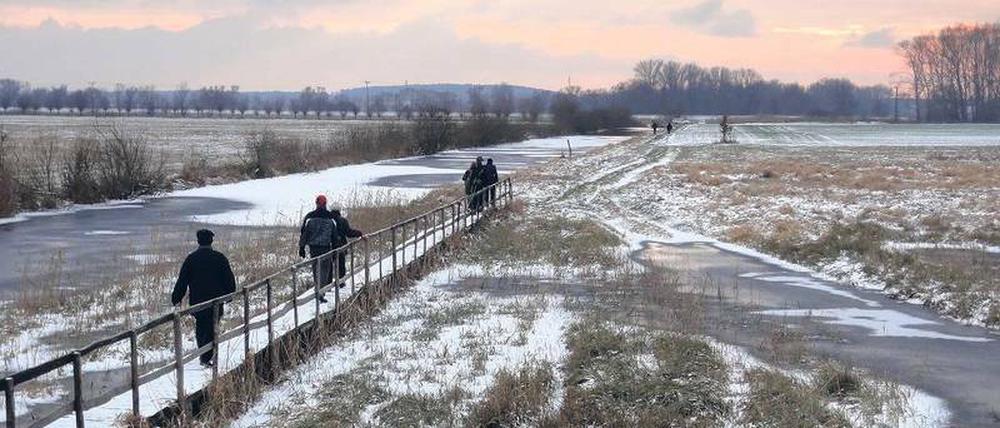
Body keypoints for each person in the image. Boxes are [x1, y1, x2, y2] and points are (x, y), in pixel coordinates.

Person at [171, 229, 236, 367]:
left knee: (201, 327)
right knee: (213, 326)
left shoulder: (191, 259)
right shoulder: (220, 258)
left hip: (197, 302)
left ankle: (204, 356)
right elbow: (229, 279)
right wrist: (229, 294)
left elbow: (182, 281)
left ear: (198, 241)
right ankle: (209, 356)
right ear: (211, 241)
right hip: (216, 301)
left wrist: (176, 298)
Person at [299, 195, 338, 303]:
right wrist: (335, 249)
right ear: (325, 204)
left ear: (316, 203)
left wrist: (301, 247)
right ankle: (321, 292)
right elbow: (334, 235)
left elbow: (304, 234)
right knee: (324, 271)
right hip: (326, 248)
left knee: (316, 269)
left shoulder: (310, 217)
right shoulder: (331, 218)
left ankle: (318, 290)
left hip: (314, 248)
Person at [330, 207, 364, 285]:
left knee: (329, 266)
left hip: (330, 247)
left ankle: (328, 285)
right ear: (339, 211)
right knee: (341, 265)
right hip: (341, 245)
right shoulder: (343, 220)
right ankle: (341, 283)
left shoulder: (328, 221)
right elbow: (349, 233)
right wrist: (359, 233)